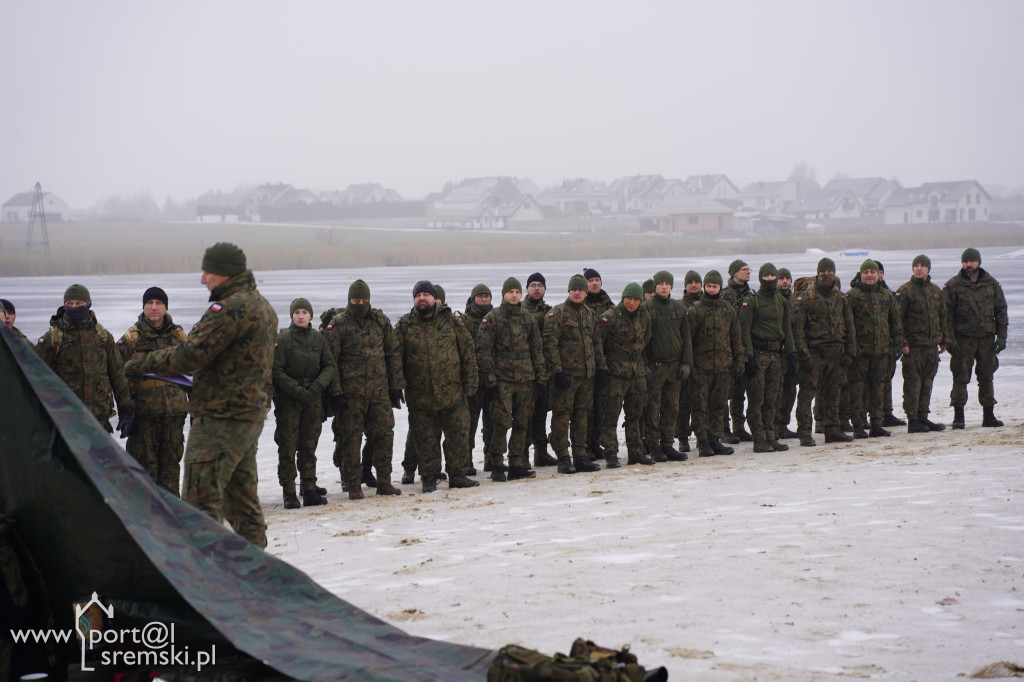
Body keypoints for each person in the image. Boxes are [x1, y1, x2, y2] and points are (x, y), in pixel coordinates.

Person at [123, 242, 277, 548]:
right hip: (246, 417)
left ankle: (207, 580)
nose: (202, 278)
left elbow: (192, 354)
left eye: (208, 271)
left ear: (224, 273)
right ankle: (258, 574)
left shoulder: (230, 309)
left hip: (220, 420)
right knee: (240, 501)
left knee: (200, 502)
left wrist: (142, 363)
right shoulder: (263, 306)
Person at [395, 280, 480, 492]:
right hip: (420, 395)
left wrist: (471, 381)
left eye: (425, 294)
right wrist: (396, 387)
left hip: (453, 392)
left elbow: (467, 351)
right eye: (417, 295)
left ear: (434, 298)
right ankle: (429, 478)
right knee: (425, 440)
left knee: (458, 435)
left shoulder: (451, 322)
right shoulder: (405, 325)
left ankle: (457, 474)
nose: (421, 298)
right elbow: (395, 358)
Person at [325, 279, 405, 499]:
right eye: (355, 300)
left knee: (384, 435)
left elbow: (393, 353)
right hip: (351, 394)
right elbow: (331, 360)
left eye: (363, 300)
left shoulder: (380, 321)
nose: (359, 303)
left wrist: (396, 386)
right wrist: (336, 392)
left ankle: (384, 481)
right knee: (351, 438)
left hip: (379, 392)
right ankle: (353, 485)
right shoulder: (339, 324)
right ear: (349, 300)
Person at [116, 286, 190, 496]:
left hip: (174, 416)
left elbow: (194, 375)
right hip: (144, 418)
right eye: (150, 303)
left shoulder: (179, 337)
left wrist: (197, 410)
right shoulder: (131, 339)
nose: (154, 307)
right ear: (144, 307)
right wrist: (126, 411)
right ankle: (147, 522)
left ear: (166, 307)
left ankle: (172, 520)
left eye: (158, 303)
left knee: (170, 469)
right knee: (144, 472)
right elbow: (118, 377)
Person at [37, 283, 134, 435]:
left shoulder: (102, 337)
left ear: (88, 304)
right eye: (70, 304)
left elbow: (118, 376)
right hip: (65, 424)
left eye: (79, 303)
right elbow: (39, 381)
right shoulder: (52, 339)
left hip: (99, 421)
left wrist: (126, 412)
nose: (74, 307)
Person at [477, 277, 546, 481]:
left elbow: (537, 350)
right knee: (502, 422)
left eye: (517, 292)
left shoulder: (527, 318)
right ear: (504, 294)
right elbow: (484, 352)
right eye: (510, 292)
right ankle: (497, 463)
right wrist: (490, 381)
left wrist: (541, 378)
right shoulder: (493, 318)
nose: (514, 295)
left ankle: (516, 463)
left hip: (526, 379)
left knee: (523, 422)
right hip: (502, 380)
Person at [273, 297, 336, 508]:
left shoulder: (318, 339)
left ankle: (309, 488)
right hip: (289, 401)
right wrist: (297, 391)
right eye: (297, 312)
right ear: (292, 315)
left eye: (304, 313)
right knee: (288, 446)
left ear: (310, 316)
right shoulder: (282, 339)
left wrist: (316, 387)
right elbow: (276, 371)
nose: (301, 316)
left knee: (309, 445)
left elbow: (329, 366)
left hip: (313, 399)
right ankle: (289, 491)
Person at [543, 274, 607, 474]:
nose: (577, 293)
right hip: (566, 377)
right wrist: (557, 372)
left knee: (582, 415)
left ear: (586, 293)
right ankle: (563, 457)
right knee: (562, 416)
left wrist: (601, 368)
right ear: (569, 292)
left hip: (586, 376)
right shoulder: (557, 314)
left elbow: (596, 344)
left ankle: (580, 455)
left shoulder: (589, 314)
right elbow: (550, 345)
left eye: (580, 290)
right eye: (574, 290)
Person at [792, 258, 857, 447]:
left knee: (833, 393)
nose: (827, 274)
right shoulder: (806, 297)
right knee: (807, 394)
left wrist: (850, 351)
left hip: (836, 354)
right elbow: (797, 328)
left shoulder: (840, 298)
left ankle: (832, 430)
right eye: (823, 271)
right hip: (813, 353)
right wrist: (803, 354)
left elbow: (849, 326)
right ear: (817, 273)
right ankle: (804, 432)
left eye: (830, 271)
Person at [944, 247, 1008, 429]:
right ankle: (959, 417)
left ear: (978, 262)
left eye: (971, 261)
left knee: (987, 377)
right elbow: (945, 315)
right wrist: (949, 339)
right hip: (963, 340)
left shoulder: (991, 284)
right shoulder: (954, 285)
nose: (968, 265)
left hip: (987, 339)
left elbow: (1001, 311)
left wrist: (1002, 336)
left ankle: (989, 416)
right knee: (960, 378)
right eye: (965, 261)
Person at [737, 263, 795, 453]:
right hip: (758, 355)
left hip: (776, 355)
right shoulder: (751, 301)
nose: (769, 279)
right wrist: (749, 357)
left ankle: (771, 436)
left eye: (772, 276)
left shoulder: (781, 300)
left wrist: (792, 353)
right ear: (761, 278)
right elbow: (743, 330)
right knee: (757, 399)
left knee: (772, 399)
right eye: (766, 276)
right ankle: (759, 439)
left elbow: (787, 329)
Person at [846, 260, 906, 438]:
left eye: (873, 272)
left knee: (878, 388)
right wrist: (850, 347)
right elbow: (847, 325)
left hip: (881, 351)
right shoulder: (852, 296)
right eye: (866, 272)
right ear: (861, 274)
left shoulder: (886, 295)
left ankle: (876, 425)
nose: (870, 275)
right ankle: (857, 425)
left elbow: (895, 321)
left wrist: (897, 343)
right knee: (857, 389)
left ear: (878, 274)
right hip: (860, 352)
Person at [689, 271, 745, 457]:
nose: (712, 289)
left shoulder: (728, 310)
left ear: (720, 287)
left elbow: (736, 338)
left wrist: (739, 360)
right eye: (709, 286)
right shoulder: (696, 310)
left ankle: (715, 439)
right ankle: (703, 441)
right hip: (701, 368)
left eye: (715, 286)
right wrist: (689, 365)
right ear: (705, 287)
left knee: (719, 406)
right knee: (700, 406)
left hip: (723, 367)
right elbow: (688, 341)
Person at [598, 282, 652, 467]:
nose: (632, 302)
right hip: (615, 374)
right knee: (610, 416)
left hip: (636, 373)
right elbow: (599, 344)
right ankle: (611, 453)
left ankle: (636, 452)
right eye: (629, 298)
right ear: (623, 298)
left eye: (636, 299)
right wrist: (603, 369)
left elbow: (645, 340)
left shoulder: (644, 316)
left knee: (635, 415)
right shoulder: (610, 317)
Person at [642, 270, 692, 462]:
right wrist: (645, 364)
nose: (664, 286)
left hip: (674, 367)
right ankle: (654, 446)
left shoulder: (678, 308)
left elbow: (686, 337)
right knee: (653, 408)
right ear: (655, 286)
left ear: (671, 286)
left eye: (667, 283)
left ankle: (668, 445)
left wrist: (686, 362)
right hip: (655, 367)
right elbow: (643, 340)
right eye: (660, 283)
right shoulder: (647, 307)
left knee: (672, 407)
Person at [896, 255, 948, 433]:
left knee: (927, 383)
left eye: (922, 266)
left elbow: (942, 316)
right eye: (916, 266)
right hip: (913, 347)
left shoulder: (935, 291)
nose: (919, 269)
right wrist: (902, 341)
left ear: (928, 269)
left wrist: (944, 339)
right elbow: (897, 320)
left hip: (931, 347)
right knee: (913, 384)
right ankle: (913, 419)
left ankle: (923, 416)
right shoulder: (905, 291)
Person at [521, 272, 557, 467]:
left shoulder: (550, 311)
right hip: (525, 371)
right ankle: (523, 454)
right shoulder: (519, 310)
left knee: (541, 413)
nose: (536, 288)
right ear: (527, 289)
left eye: (540, 285)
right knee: (525, 415)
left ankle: (541, 453)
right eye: (533, 285)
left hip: (544, 370)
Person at [461, 283, 494, 475]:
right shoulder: (464, 321)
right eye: (480, 296)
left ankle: (491, 458)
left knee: (491, 422)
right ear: (473, 299)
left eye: (486, 296)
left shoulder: (495, 318)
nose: (483, 299)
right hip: (472, 381)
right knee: (469, 423)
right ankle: (466, 460)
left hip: (492, 380)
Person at [583, 268, 613, 460]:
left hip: (605, 363)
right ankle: (584, 446)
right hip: (584, 364)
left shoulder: (609, 305)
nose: (594, 283)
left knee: (601, 407)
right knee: (585, 408)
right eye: (591, 280)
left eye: (597, 280)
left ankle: (596, 443)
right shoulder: (578, 303)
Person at [722, 259, 753, 442]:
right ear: (734, 273)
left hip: (744, 347)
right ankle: (724, 429)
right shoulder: (724, 295)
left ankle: (739, 426)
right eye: (744, 270)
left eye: (749, 270)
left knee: (739, 392)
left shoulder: (751, 294)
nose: (748, 272)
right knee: (724, 391)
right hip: (727, 349)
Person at [875, 261, 906, 428]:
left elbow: (897, 322)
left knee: (887, 380)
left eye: (880, 272)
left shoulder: (890, 294)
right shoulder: (858, 294)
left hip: (887, 345)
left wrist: (898, 343)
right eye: (874, 271)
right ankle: (871, 415)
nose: (877, 275)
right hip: (870, 346)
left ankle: (887, 414)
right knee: (870, 382)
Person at [675, 271, 702, 453]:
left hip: (704, 360)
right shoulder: (678, 307)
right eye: (690, 282)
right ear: (685, 286)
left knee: (702, 403)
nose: (693, 285)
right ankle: (683, 438)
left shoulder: (707, 305)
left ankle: (703, 437)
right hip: (684, 361)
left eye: (697, 282)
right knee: (683, 403)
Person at [773, 268, 799, 440]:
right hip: (777, 352)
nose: (785, 282)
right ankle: (773, 425)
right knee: (776, 390)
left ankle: (783, 424)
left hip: (794, 351)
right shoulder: (772, 299)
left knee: (790, 389)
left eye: (788, 278)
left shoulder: (796, 300)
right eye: (781, 278)